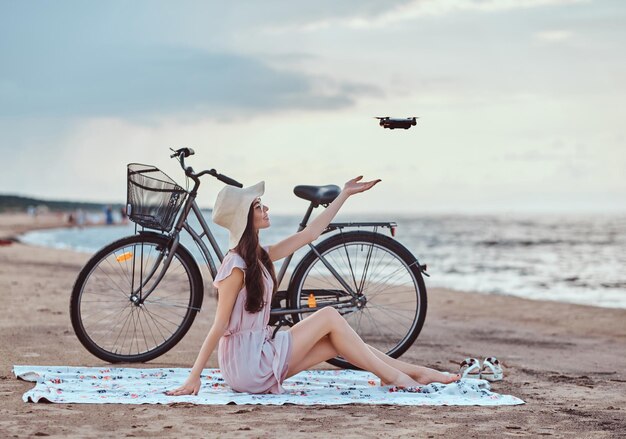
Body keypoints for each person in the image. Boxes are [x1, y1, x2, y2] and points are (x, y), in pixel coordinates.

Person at [166, 176, 460, 396]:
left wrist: (344, 194)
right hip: (246, 366)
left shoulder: (259, 255)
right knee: (330, 315)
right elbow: (218, 326)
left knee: (334, 342)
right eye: (258, 206)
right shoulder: (235, 268)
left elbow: (310, 233)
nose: (266, 208)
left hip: (260, 351)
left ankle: (412, 372)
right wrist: (195, 376)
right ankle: (397, 377)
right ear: (245, 217)